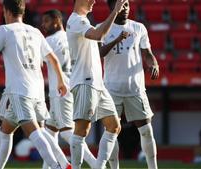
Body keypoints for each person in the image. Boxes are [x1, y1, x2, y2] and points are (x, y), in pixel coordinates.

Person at [0, 0, 70, 169]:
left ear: (6, 11)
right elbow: (52, 59)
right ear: (22, 12)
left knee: (35, 133)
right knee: (5, 131)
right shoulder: (35, 31)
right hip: (37, 90)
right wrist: (60, 81)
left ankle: (57, 166)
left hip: (19, 91)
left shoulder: (4, 30)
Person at [98, 0, 160, 169]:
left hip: (136, 89)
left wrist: (153, 63)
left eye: (127, 5)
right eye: (121, 5)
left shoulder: (138, 27)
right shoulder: (102, 28)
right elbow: (99, 54)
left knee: (146, 131)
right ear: (112, 8)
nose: (125, 8)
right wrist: (116, 40)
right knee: (111, 133)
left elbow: (147, 53)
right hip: (111, 89)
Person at [66, 0, 127, 169]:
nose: (94, 1)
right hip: (85, 82)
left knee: (114, 126)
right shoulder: (77, 20)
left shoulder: (83, 21)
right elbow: (98, 35)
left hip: (97, 84)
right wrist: (115, 11)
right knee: (81, 131)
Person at [41, 9, 96, 169]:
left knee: (66, 132)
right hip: (73, 87)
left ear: (57, 21)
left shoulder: (50, 40)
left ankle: (96, 164)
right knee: (49, 132)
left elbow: (37, 62)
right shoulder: (71, 37)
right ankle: (54, 166)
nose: (43, 25)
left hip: (60, 91)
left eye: (46, 21)